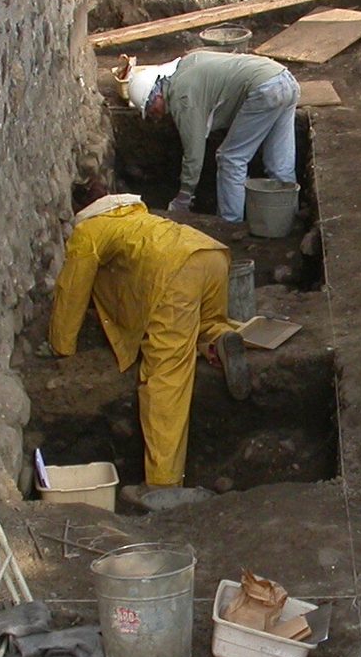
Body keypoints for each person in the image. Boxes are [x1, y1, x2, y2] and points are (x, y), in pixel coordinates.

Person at [48, 187, 250, 493]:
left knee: (166, 376)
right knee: (206, 322)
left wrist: (61, 344)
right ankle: (220, 339)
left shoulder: (89, 231)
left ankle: (163, 484)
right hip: (210, 255)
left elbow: (72, 289)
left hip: (175, 274)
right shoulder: (137, 217)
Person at [117, 50, 300, 223]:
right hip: (284, 80)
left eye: (150, 110)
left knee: (231, 158)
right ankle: (288, 220)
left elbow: (194, 153)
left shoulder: (182, 98)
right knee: (280, 164)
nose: (154, 117)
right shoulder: (186, 64)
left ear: (155, 96)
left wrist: (185, 196)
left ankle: (229, 225)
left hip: (264, 90)